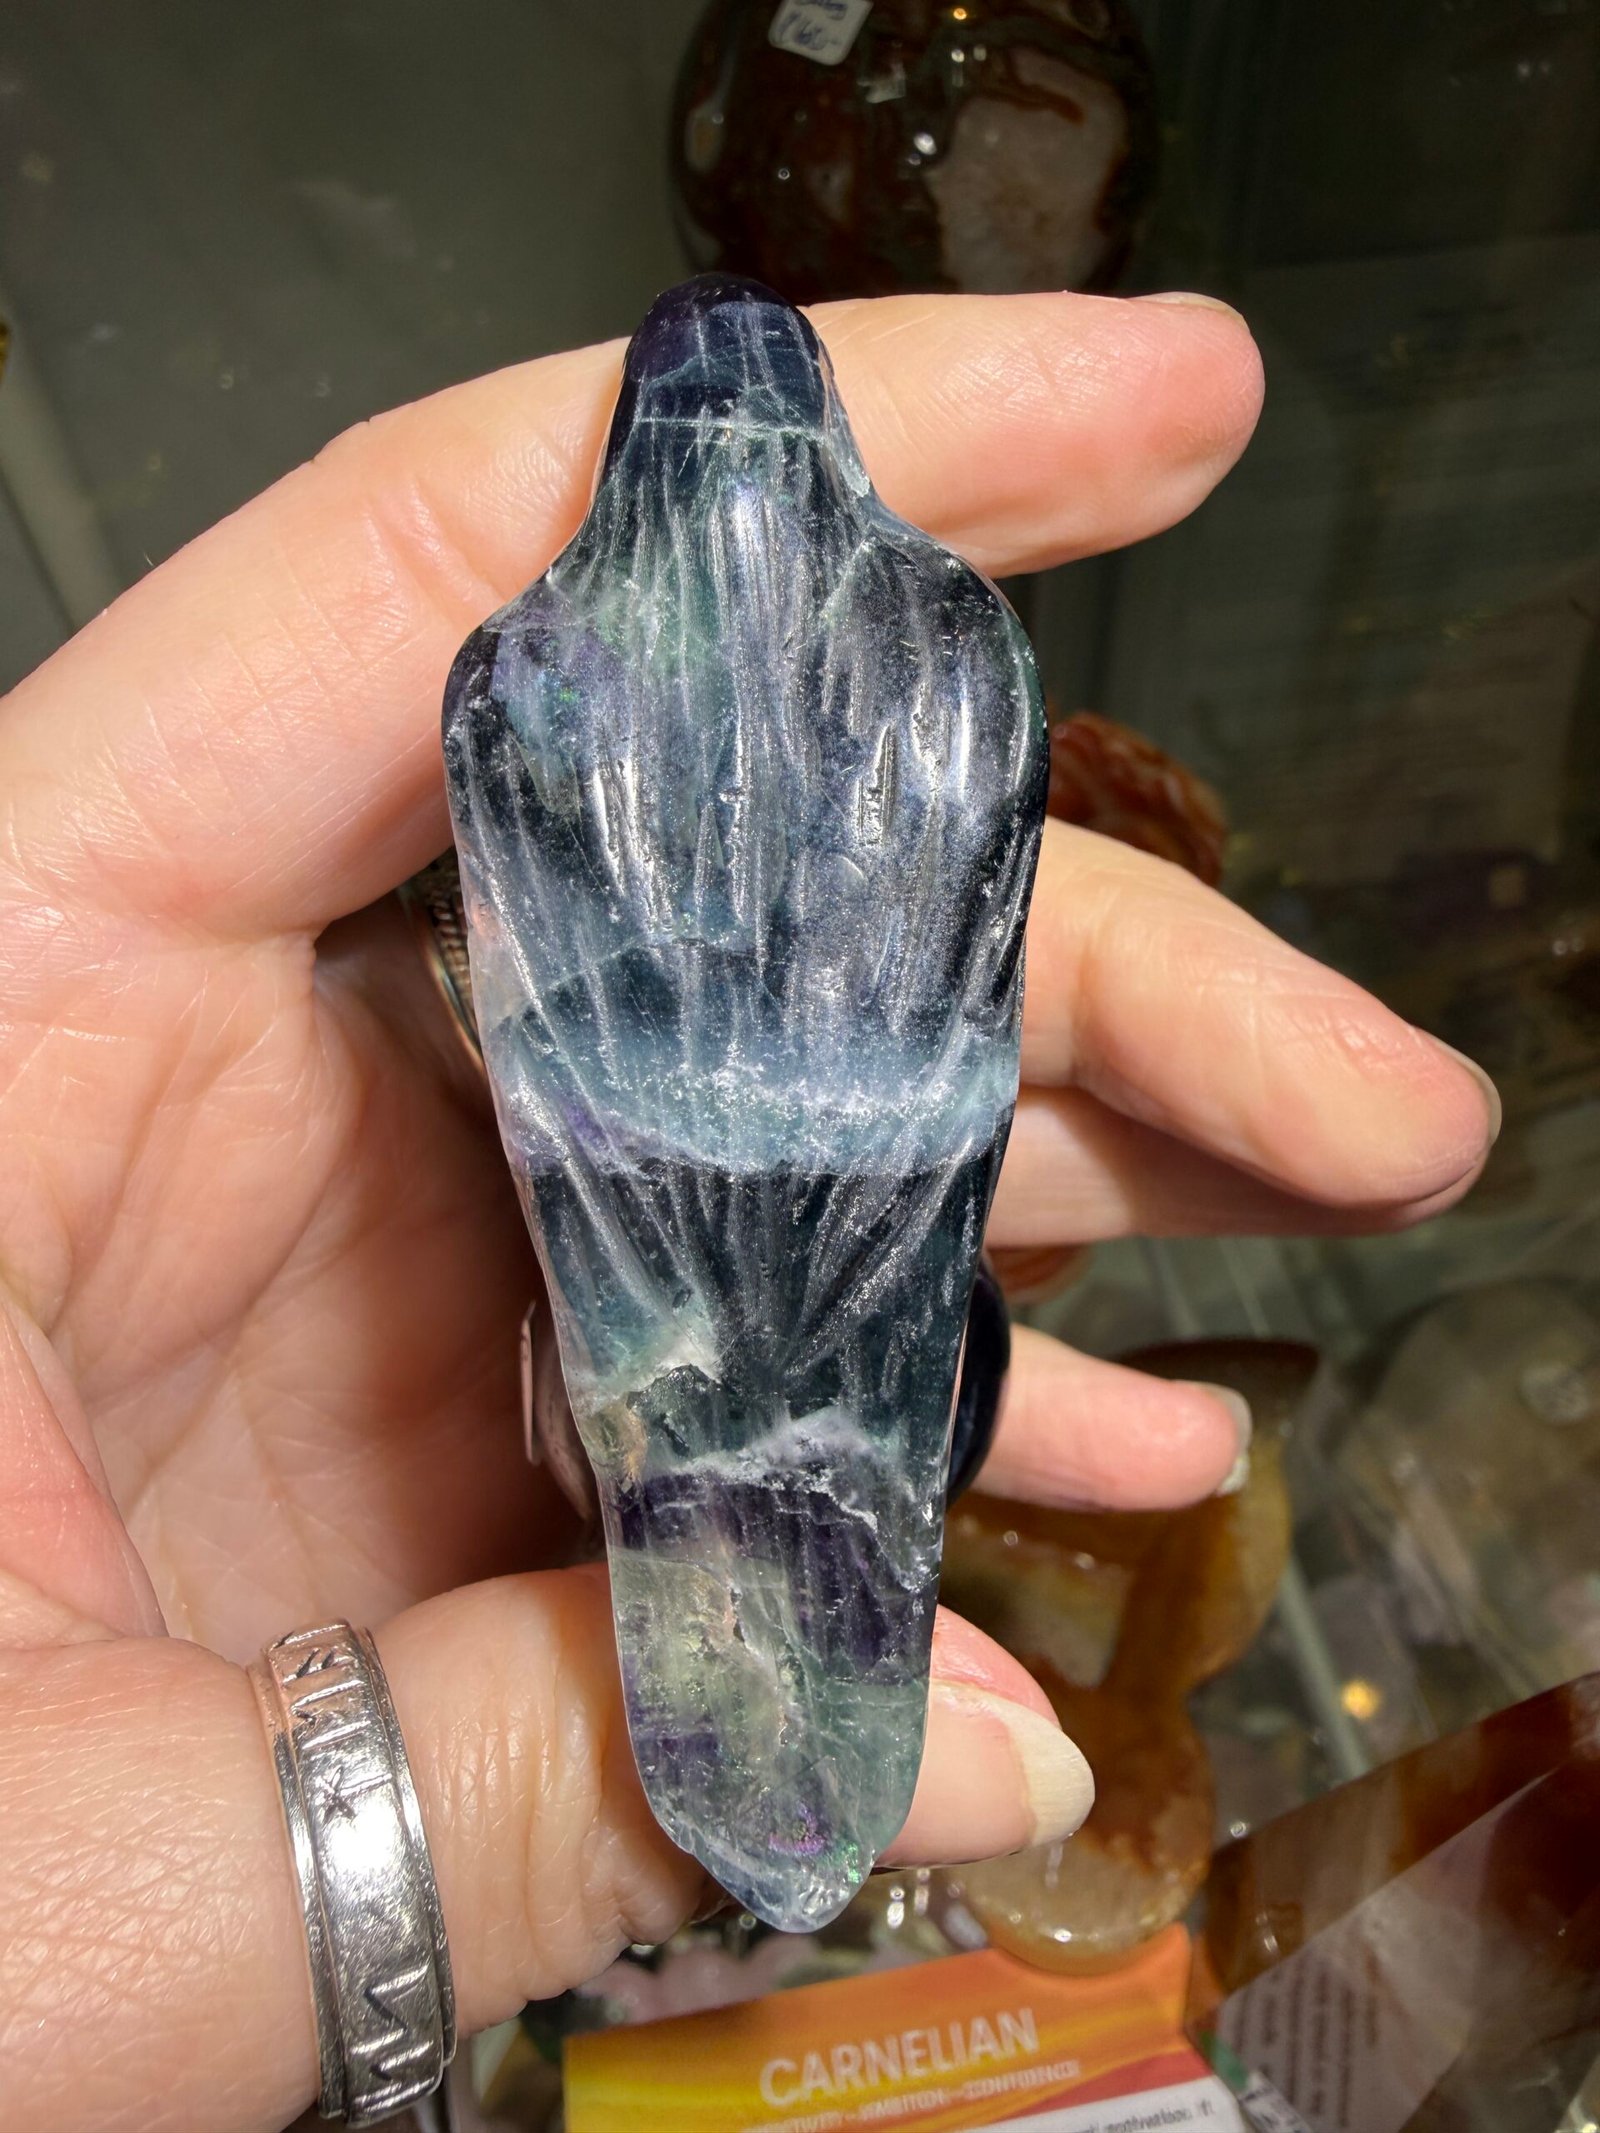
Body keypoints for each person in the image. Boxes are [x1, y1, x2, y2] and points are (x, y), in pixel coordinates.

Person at [0, 289, 1496, 2132]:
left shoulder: (612, 666)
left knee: (790, 1377)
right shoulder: (913, 648)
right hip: (707, 1258)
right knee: (758, 1390)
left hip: (768, 1249)